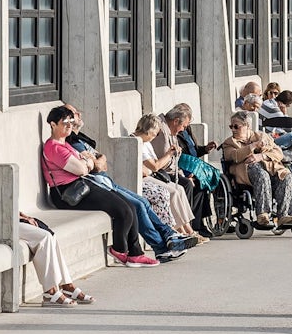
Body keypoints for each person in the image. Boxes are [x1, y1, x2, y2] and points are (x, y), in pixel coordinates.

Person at [0, 128, 94, 304]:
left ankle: (66, 284)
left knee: (49, 234)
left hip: (3, 219)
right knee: (43, 237)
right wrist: (14, 217)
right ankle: (50, 291)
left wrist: (19, 215)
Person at [60, 105, 197, 261]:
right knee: (137, 205)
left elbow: (103, 161)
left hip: (105, 180)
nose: (79, 114)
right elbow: (98, 165)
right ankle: (161, 245)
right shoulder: (72, 142)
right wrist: (97, 161)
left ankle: (169, 235)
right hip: (96, 184)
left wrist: (98, 160)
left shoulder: (81, 138)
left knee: (142, 202)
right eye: (74, 113)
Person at [41, 106, 159, 267]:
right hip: (67, 193)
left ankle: (135, 254)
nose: (69, 125)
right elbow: (82, 168)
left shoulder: (65, 144)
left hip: (81, 185)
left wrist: (86, 161)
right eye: (64, 122)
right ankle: (119, 249)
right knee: (122, 211)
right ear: (53, 125)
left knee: (131, 206)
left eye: (71, 121)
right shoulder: (53, 147)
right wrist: (87, 161)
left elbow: (87, 163)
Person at [134, 113, 204, 242]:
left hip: (151, 175)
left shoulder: (146, 143)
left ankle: (188, 230)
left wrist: (169, 156)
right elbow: (155, 166)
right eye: (155, 134)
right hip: (144, 179)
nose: (155, 137)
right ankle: (181, 231)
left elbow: (154, 165)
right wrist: (168, 154)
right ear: (149, 130)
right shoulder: (137, 142)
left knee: (180, 190)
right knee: (171, 192)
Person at [221, 110, 292, 226]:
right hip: (246, 173)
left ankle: (284, 215)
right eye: (231, 126)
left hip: (270, 168)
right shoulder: (230, 142)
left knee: (286, 177)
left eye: (236, 126)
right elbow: (234, 156)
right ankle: (263, 214)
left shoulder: (261, 136)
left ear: (247, 126)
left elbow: (278, 153)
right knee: (262, 175)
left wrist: (261, 156)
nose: (233, 129)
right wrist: (252, 146)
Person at [150, 104, 209, 237]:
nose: (183, 130)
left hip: (171, 171)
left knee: (197, 183)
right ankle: (184, 229)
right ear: (176, 121)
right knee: (185, 185)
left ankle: (192, 226)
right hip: (161, 172)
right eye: (183, 126)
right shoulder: (162, 131)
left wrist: (183, 173)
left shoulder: (170, 130)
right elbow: (161, 162)